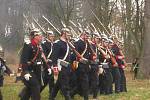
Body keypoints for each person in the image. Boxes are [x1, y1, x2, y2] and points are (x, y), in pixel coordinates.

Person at [19, 28, 48, 100]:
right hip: (29, 72)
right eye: (39, 35)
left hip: (36, 72)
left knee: (29, 90)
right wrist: (25, 72)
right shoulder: (28, 45)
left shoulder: (39, 46)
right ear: (35, 36)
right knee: (36, 88)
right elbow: (24, 59)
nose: (41, 37)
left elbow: (41, 59)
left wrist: (48, 67)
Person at [50, 28, 72, 100]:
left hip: (67, 67)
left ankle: (51, 98)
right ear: (64, 33)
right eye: (68, 34)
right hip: (61, 67)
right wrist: (55, 68)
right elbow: (54, 57)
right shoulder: (57, 43)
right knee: (65, 86)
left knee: (58, 85)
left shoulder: (67, 43)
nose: (69, 36)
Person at [41, 30, 55, 99]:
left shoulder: (53, 44)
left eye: (53, 36)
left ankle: (51, 95)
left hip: (52, 63)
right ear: (47, 36)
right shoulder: (44, 44)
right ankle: (35, 92)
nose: (52, 37)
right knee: (45, 80)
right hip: (46, 64)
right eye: (51, 36)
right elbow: (44, 55)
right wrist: (47, 64)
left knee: (51, 80)